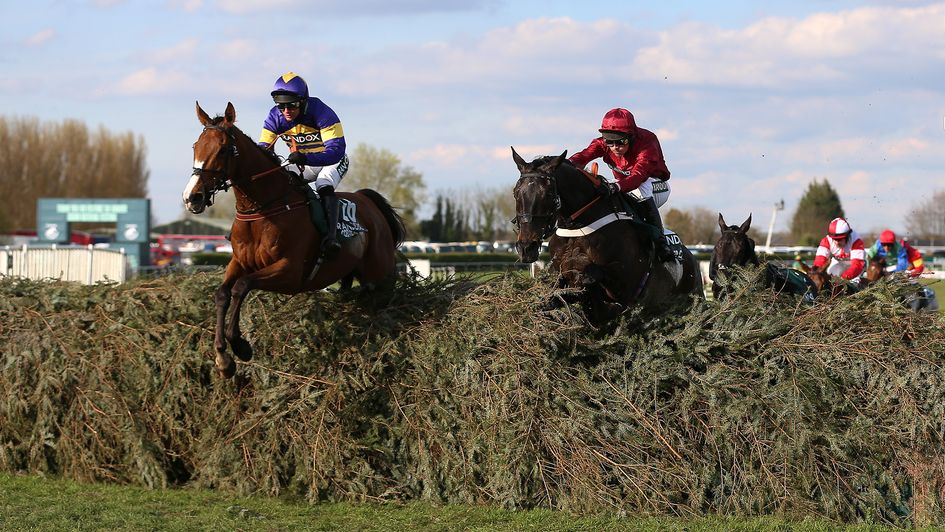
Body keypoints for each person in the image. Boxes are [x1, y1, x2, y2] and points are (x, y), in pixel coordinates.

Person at [258, 72, 347, 259]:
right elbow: (263, 150)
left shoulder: (322, 112)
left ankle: (331, 237)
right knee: (275, 179)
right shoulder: (275, 117)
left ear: (303, 101)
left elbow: (336, 151)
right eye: (281, 106)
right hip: (302, 161)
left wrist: (305, 158)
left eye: (291, 105)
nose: (286, 111)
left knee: (323, 184)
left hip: (332, 160)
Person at [568, 107, 674, 261]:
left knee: (640, 187)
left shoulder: (647, 143)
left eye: (621, 142)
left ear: (631, 137)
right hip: (625, 185)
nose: (615, 147)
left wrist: (616, 187)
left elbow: (638, 176)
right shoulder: (602, 144)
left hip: (656, 185)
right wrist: (563, 165)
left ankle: (661, 243)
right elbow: (583, 156)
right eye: (609, 141)